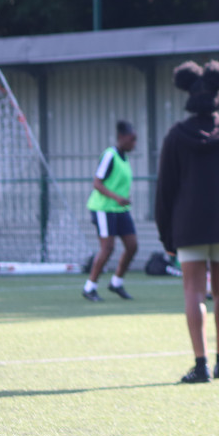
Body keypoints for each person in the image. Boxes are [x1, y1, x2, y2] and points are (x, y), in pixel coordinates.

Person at [156, 60, 219, 384]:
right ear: (218, 95)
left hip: (187, 228)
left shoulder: (175, 137)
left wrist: (165, 233)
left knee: (193, 292)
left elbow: (164, 191)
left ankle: (200, 366)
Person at [83, 120, 140, 302]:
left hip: (120, 209)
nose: (134, 143)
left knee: (132, 246)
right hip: (103, 208)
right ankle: (90, 287)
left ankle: (116, 282)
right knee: (108, 248)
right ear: (122, 138)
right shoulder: (110, 155)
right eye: (132, 139)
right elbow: (97, 183)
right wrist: (117, 198)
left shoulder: (125, 158)